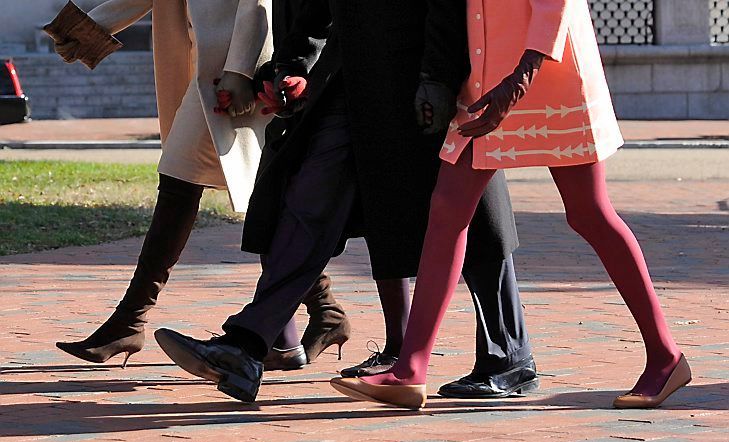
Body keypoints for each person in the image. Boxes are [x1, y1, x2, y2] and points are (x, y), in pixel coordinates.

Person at [154, 0, 538, 403]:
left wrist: (438, 77)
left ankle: (508, 351)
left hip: (433, 69)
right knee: (310, 197)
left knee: (469, 212)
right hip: (352, 72)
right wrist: (293, 63)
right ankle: (246, 345)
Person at [330, 0, 691, 410]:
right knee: (447, 210)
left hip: (548, 78)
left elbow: (557, 5)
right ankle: (410, 368)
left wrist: (519, 80)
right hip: (486, 82)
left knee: (589, 212)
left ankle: (665, 355)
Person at [46, 0, 345, 371]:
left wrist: (238, 70)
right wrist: (90, 26)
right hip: (200, 61)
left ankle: (129, 321)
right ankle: (323, 312)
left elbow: (257, 1)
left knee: (180, 182)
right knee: (259, 194)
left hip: (236, 66)